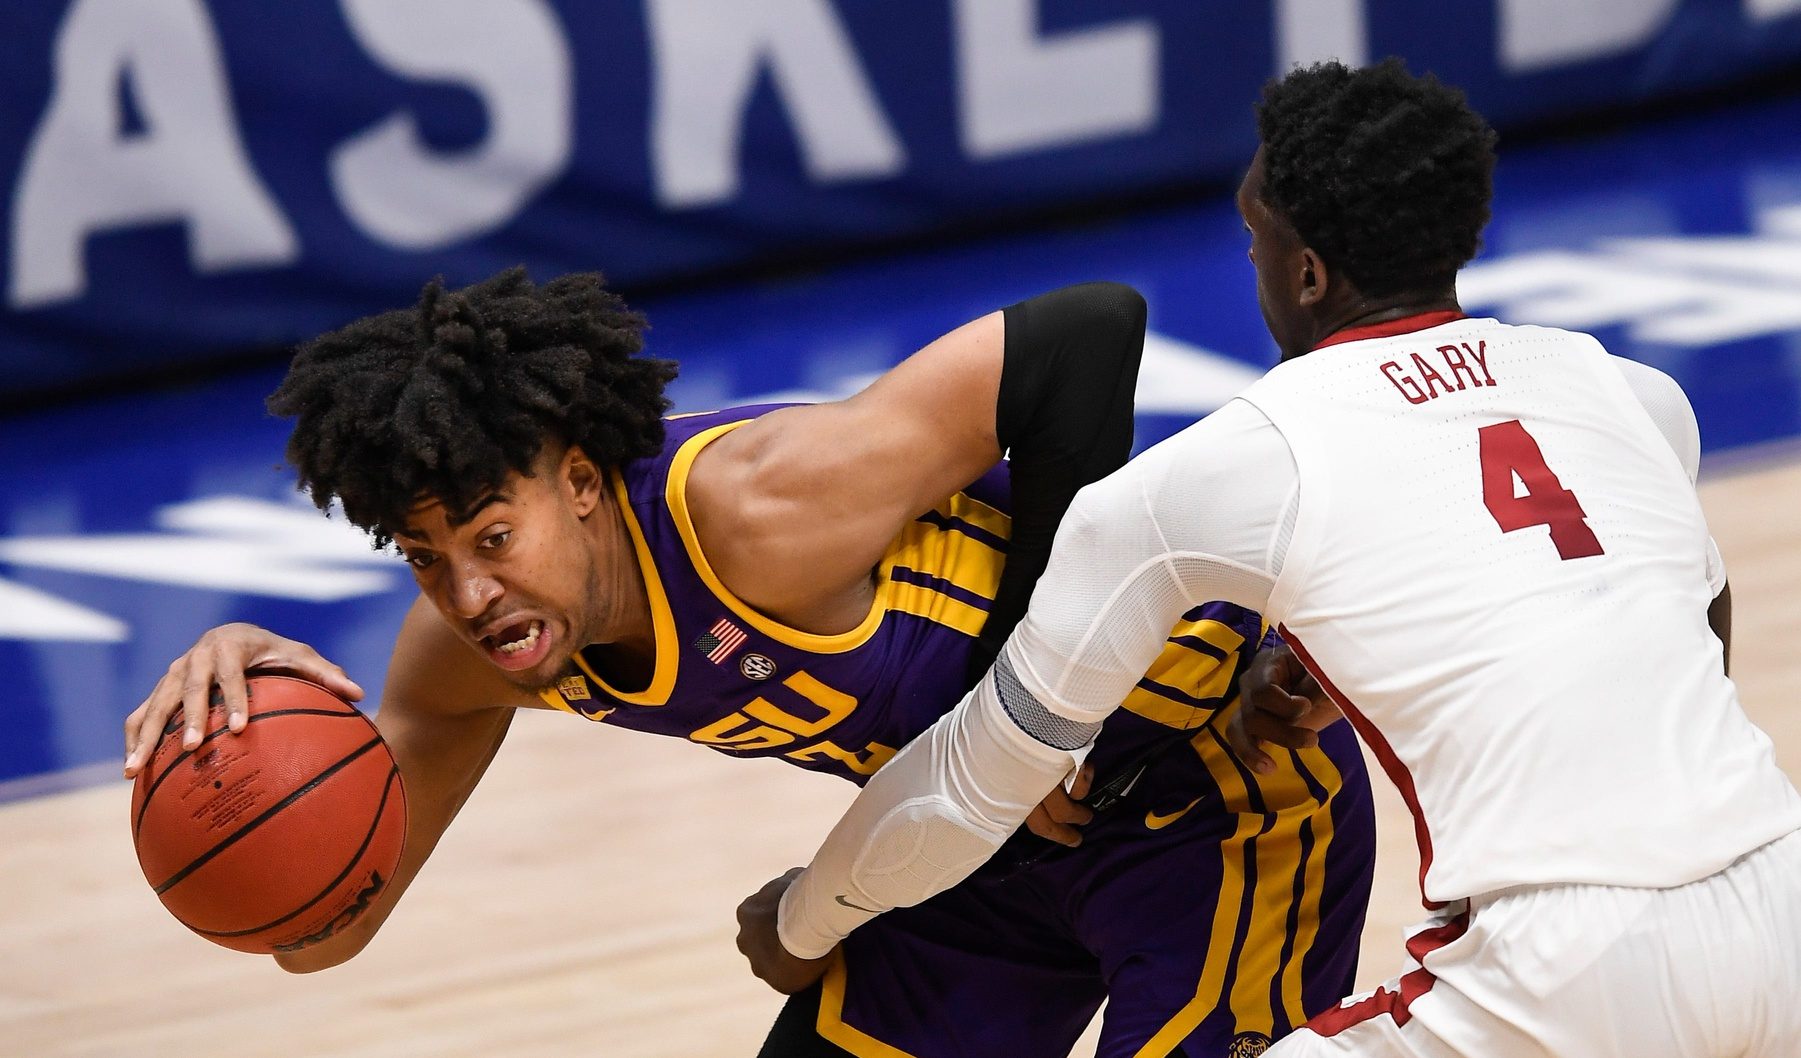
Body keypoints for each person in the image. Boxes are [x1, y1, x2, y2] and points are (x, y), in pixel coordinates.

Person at [745, 58, 1801, 1057]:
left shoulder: (1222, 468)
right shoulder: (1633, 393)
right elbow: (1671, 625)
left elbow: (972, 787)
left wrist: (801, 921)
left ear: (1305, 270)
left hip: (1559, 972)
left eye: (1255, 235)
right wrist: (1338, 665)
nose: (1249, 261)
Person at [121, 269, 1376, 1057]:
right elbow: (321, 930)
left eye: (493, 537)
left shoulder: (753, 510)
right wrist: (256, 713)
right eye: (424, 556)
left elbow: (1082, 333)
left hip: (1213, 792)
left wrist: (1029, 715)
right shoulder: (480, 650)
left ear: (580, 482)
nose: (468, 593)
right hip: (982, 855)